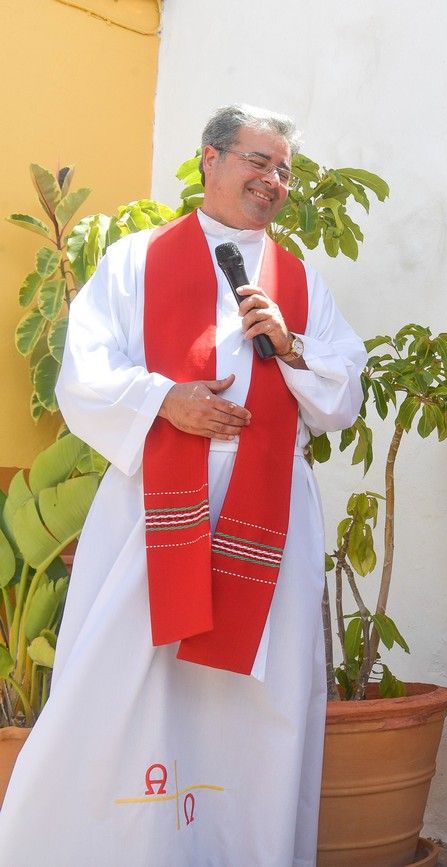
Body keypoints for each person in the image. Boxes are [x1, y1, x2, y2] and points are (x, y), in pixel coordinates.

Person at [0, 104, 366, 865]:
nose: (273, 180)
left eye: (284, 170)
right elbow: (85, 374)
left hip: (269, 530)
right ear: (210, 158)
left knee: (261, 706)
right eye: (258, 162)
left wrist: (291, 348)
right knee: (121, 684)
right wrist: (166, 400)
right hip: (156, 521)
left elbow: (343, 397)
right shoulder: (136, 260)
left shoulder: (300, 283)